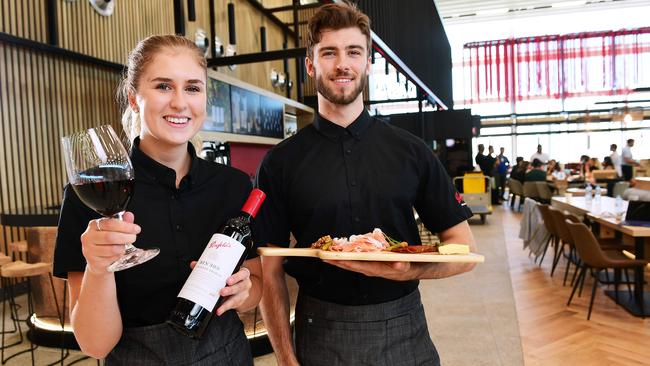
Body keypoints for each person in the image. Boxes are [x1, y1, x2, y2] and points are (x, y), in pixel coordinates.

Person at [254, 3, 476, 366]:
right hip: (319, 328)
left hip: (404, 325)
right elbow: (271, 270)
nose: (343, 64)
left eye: (354, 52)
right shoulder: (280, 162)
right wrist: (285, 358)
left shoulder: (412, 152)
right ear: (311, 65)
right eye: (329, 53)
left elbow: (463, 248)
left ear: (368, 62)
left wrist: (408, 268)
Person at [53, 35, 262, 365]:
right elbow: (95, 345)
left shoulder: (233, 186)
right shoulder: (89, 197)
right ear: (134, 98)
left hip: (228, 354)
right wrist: (98, 268)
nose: (180, 102)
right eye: (163, 86)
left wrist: (246, 292)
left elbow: (255, 288)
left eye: (192, 88)